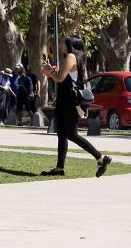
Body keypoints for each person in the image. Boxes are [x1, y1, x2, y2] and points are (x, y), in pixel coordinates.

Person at [40, 35, 111, 177]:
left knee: (71, 134)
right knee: (62, 134)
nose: (62, 45)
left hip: (69, 102)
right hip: (65, 100)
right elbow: (67, 81)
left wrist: (50, 70)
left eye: (64, 43)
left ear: (70, 45)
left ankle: (101, 158)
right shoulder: (77, 58)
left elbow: (59, 78)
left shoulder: (71, 57)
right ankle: (59, 168)